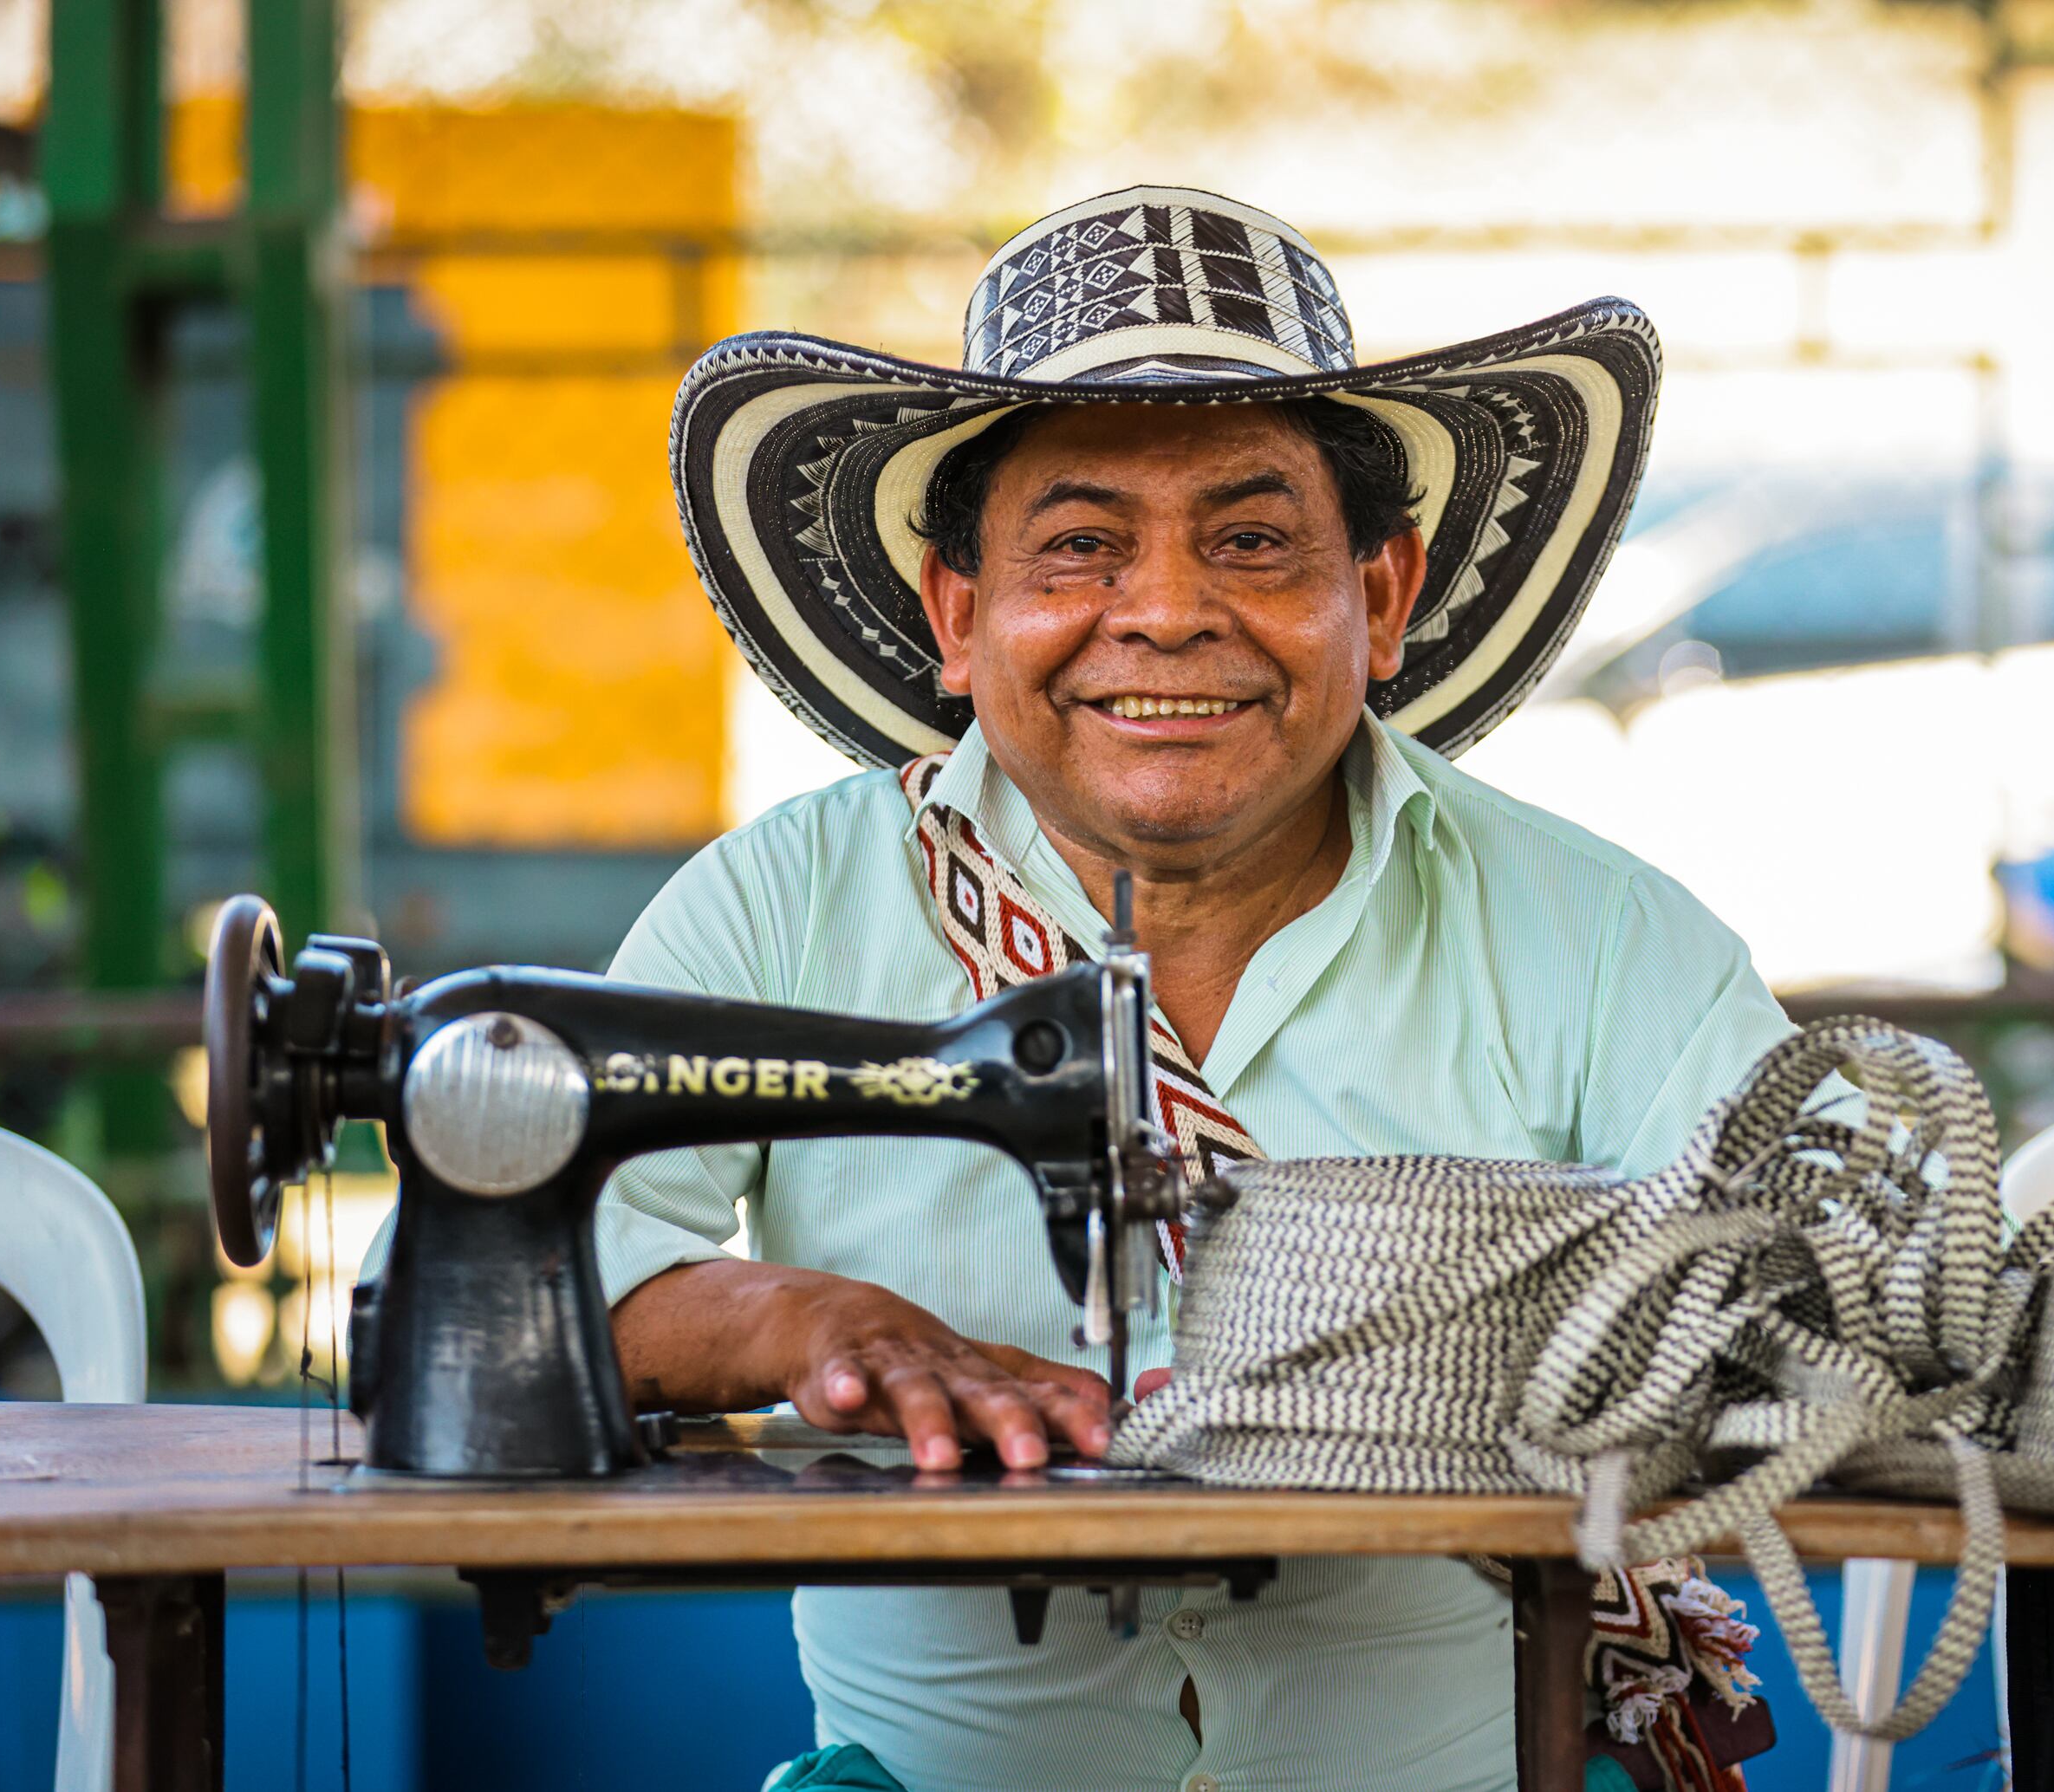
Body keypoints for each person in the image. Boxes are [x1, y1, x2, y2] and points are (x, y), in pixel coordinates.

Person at [596, 187, 1794, 1792]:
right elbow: (518, 1270)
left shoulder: (1595, 936)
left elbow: (1845, 1286)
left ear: (1378, 595)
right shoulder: (780, 910)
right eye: (1082, 545)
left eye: (1250, 541)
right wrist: (811, 1321)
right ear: (961, 615)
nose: (1165, 611)